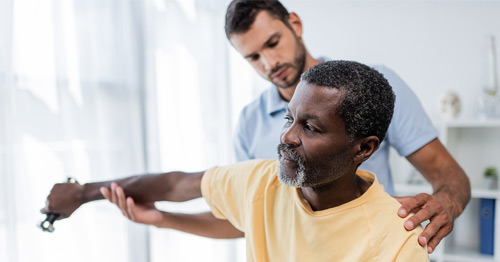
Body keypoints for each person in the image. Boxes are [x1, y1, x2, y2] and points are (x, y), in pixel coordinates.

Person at [43, 0, 470, 254]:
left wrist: (446, 203)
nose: (270, 64)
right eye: (253, 57)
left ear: (295, 26)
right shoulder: (251, 124)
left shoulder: (371, 90)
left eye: (273, 43)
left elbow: (447, 174)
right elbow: (244, 213)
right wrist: (162, 220)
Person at [44, 61, 430, 261]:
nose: (288, 137)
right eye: (288, 118)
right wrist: (84, 193)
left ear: (363, 149)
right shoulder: (262, 182)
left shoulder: (397, 241)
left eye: (310, 127)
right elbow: (177, 184)